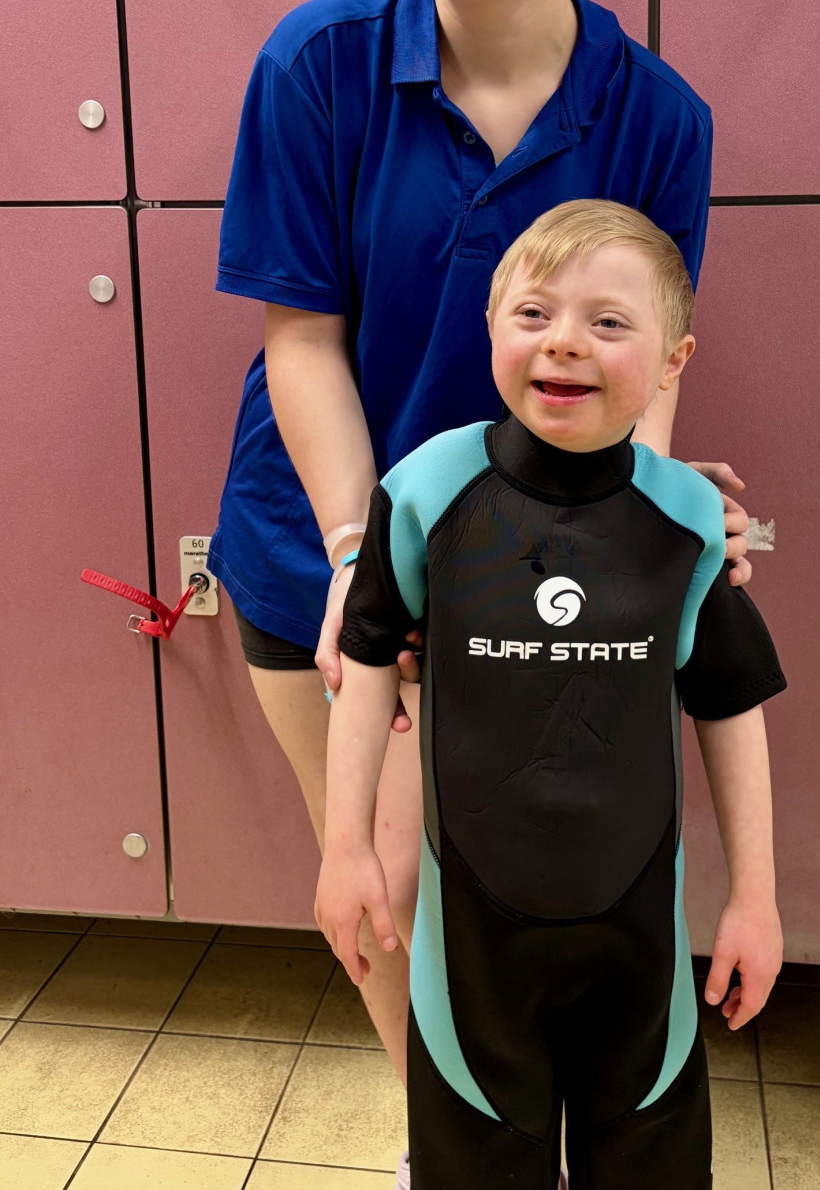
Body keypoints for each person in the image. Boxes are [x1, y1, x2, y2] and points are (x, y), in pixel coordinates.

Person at [207, 0, 754, 1188]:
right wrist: (353, 556)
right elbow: (300, 337)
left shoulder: (659, 119)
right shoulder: (318, 66)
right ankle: (450, 1148)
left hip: (536, 581)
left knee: (522, 892)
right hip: (322, 565)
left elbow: (641, 359)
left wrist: (655, 520)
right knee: (386, 897)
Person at [316, 201, 786, 1190]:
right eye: (533, 313)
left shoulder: (689, 520)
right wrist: (345, 847)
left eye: (609, 322)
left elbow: (729, 704)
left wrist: (756, 896)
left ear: (672, 360)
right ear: (491, 331)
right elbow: (364, 673)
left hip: (638, 954)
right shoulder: (424, 492)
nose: (565, 341)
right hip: (471, 958)